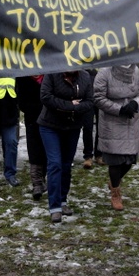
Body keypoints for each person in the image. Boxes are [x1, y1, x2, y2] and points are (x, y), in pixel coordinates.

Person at [38, 70, 94, 223]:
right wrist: (70, 105)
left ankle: (62, 201)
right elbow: (46, 97)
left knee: (66, 165)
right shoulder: (52, 74)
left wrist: (74, 108)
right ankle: (54, 207)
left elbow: (89, 101)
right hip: (50, 125)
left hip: (72, 127)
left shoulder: (85, 76)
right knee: (55, 163)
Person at [94, 64, 139, 210]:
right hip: (113, 121)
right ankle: (116, 193)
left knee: (129, 160)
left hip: (131, 120)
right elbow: (98, 97)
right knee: (116, 161)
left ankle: (113, 182)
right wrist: (120, 109)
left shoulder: (135, 70)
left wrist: (135, 103)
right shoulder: (104, 72)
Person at [16, 74, 48, 200]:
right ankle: (37, 183)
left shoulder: (49, 75)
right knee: (34, 150)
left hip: (48, 118)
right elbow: (21, 100)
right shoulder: (23, 77)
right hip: (32, 118)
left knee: (46, 148)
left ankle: (43, 178)